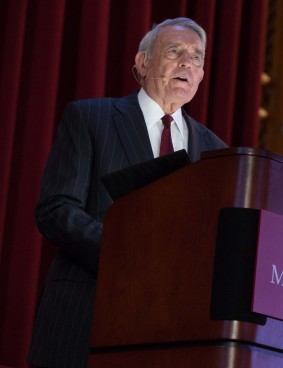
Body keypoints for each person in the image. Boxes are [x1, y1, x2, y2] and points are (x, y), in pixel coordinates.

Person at [28, 17, 226, 368]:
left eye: (197, 57)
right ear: (143, 63)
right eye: (174, 51)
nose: (187, 63)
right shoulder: (91, 118)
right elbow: (56, 209)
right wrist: (128, 252)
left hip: (169, 333)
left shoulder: (215, 151)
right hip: (86, 315)